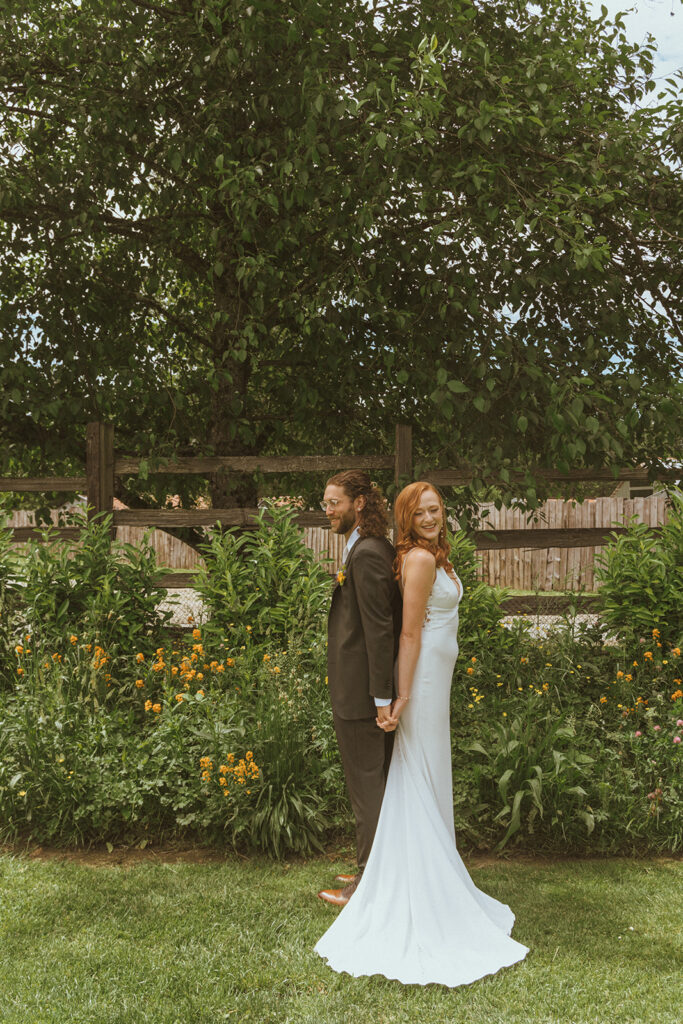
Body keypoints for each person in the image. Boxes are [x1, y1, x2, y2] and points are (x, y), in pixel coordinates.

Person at [315, 481, 529, 986]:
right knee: (418, 772)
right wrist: (400, 698)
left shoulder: (432, 554)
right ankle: (407, 881)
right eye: (421, 511)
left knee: (428, 773)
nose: (431, 517)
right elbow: (406, 632)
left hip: (437, 678)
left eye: (436, 509)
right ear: (405, 516)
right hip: (422, 684)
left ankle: (427, 872)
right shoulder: (416, 561)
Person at [317, 470, 402, 907]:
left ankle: (367, 883)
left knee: (368, 789)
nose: (327, 511)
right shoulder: (365, 548)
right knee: (370, 784)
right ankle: (375, 865)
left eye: (335, 503)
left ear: (360, 504)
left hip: (364, 697)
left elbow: (380, 630)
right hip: (359, 691)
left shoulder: (367, 554)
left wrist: (381, 698)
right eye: (325, 504)